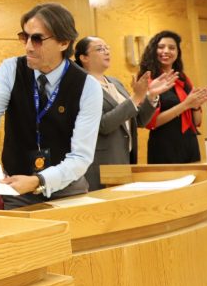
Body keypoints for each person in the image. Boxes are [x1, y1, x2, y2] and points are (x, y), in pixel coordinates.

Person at [0, 3, 103, 209]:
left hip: (67, 189)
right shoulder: (11, 69)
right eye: (24, 37)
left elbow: (80, 157)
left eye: (37, 39)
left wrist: (39, 181)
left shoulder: (87, 86)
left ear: (63, 42)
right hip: (17, 189)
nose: (28, 46)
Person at [74, 36, 177, 190]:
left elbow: (138, 120)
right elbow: (103, 125)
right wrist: (136, 97)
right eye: (100, 49)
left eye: (107, 48)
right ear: (84, 57)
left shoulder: (115, 82)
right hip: (101, 162)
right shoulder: (81, 85)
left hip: (124, 158)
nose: (106, 52)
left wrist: (151, 95)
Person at [138, 30, 207, 164]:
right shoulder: (147, 79)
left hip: (190, 143)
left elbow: (196, 122)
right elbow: (150, 122)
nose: (166, 51)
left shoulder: (183, 78)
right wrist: (185, 105)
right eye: (161, 47)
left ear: (178, 53)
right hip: (164, 145)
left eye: (172, 48)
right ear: (153, 50)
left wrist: (195, 106)